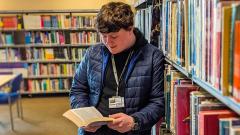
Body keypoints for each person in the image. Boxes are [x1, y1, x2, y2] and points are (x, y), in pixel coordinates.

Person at [69, 2, 165, 135]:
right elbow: (78, 89)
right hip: (94, 132)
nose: (108, 42)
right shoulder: (92, 53)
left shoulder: (153, 57)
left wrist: (134, 121)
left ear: (130, 28)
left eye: (114, 36)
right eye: (103, 36)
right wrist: (84, 116)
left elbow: (158, 102)